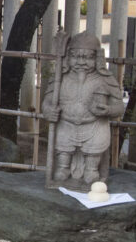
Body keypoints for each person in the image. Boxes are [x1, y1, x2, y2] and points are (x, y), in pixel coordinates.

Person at [41, 31, 124, 186]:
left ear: (97, 58)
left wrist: (107, 110)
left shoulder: (105, 80)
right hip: (66, 125)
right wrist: (48, 111)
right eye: (75, 56)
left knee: (90, 175)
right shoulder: (60, 78)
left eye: (87, 57)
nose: (81, 62)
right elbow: (46, 102)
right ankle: (63, 168)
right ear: (68, 57)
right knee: (61, 169)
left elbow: (119, 107)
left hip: (94, 126)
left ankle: (92, 170)